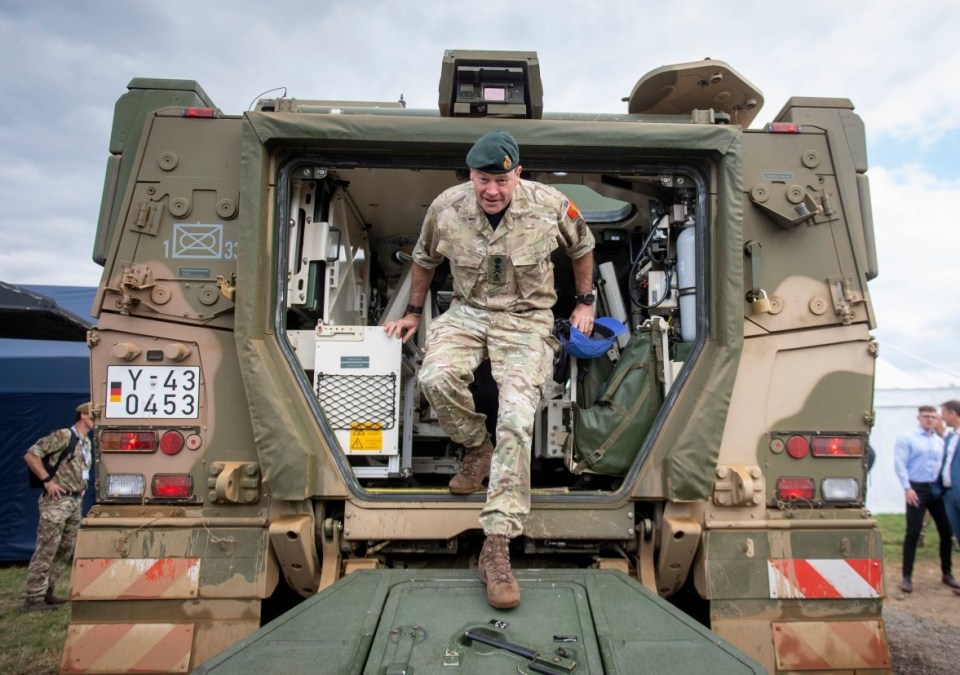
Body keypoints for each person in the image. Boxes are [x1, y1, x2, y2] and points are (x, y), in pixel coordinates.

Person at [384, 130, 595, 609]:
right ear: (471, 176)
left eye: (501, 179)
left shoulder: (550, 204)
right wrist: (414, 313)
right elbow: (423, 260)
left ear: (517, 174)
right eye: (483, 179)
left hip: (526, 319)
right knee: (436, 377)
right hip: (469, 311)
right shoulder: (447, 207)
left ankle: (496, 544)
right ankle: (478, 450)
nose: (492, 190)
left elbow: (582, 247)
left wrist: (584, 303)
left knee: (517, 418)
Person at [21, 401, 94, 612]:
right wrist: (47, 480)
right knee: (47, 548)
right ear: (83, 416)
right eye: (93, 416)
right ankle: (33, 597)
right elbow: (31, 454)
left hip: (74, 501)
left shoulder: (86, 442)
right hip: (57, 502)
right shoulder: (63, 436)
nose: (96, 420)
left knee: (65, 548)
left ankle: (48, 591)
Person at [893, 404, 959, 593]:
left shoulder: (941, 440)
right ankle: (907, 577)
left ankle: (947, 573)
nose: (930, 419)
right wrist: (907, 488)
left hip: (936, 489)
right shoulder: (908, 438)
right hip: (917, 488)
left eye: (933, 416)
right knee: (913, 532)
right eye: (926, 416)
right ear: (918, 417)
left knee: (946, 531)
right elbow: (900, 464)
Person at [940, 400, 960, 590]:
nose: (942, 417)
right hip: (950, 494)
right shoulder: (949, 437)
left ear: (953, 413)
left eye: (944, 413)